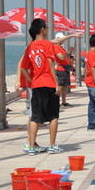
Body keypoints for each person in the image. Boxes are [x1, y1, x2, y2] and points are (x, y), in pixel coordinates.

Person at [19, 19, 64, 154]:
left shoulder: (30, 47)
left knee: (35, 117)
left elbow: (23, 68)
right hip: (49, 83)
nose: (48, 30)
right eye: (46, 27)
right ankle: (52, 145)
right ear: (41, 29)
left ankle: (31, 147)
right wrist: (57, 83)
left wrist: (31, 81)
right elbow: (50, 63)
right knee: (53, 116)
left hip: (37, 85)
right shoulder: (48, 44)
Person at [53, 33, 73, 107]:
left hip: (65, 68)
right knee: (60, 86)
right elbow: (61, 57)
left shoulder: (61, 47)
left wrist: (69, 54)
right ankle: (56, 102)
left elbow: (65, 57)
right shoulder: (56, 47)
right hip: (61, 69)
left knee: (64, 86)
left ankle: (64, 101)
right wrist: (68, 52)